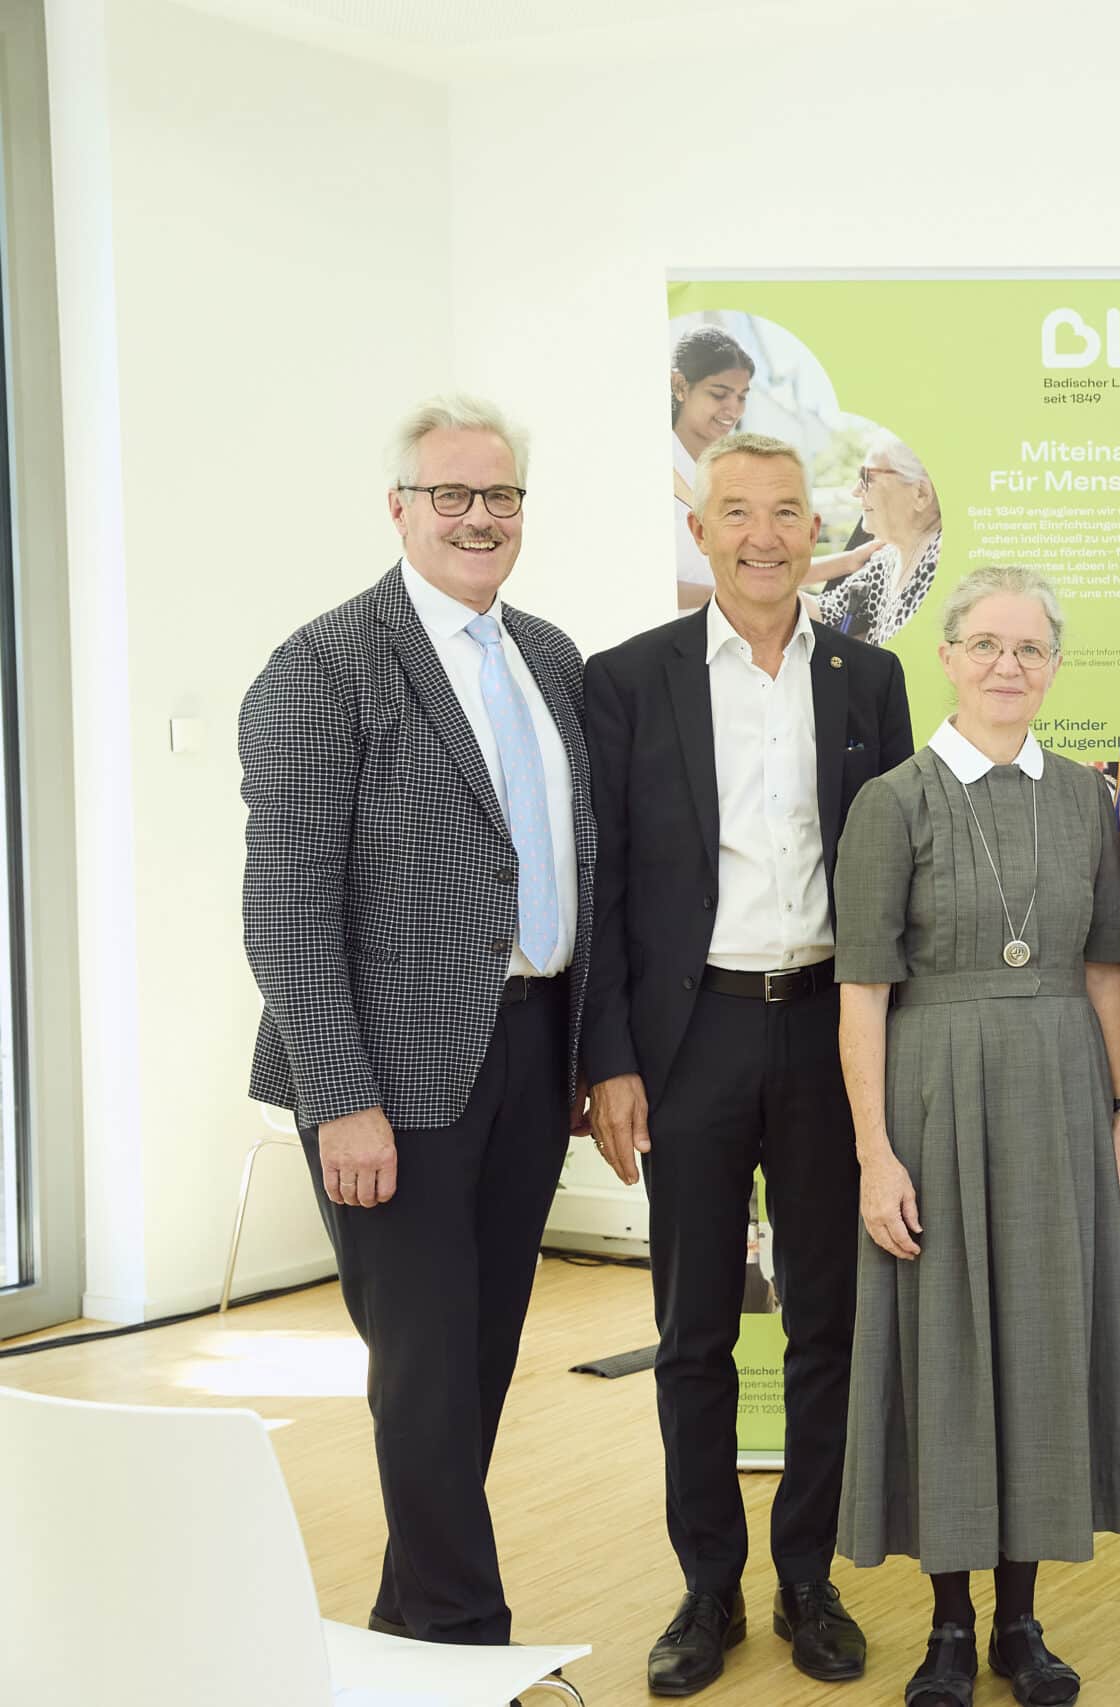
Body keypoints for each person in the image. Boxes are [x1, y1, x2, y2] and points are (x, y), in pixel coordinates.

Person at [241, 394, 590, 1651]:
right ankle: (461, 1634)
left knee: (476, 1357)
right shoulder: (323, 665)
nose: (478, 517)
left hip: (531, 1051)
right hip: (388, 1078)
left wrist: (590, 1055)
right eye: (451, 494)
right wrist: (341, 1098)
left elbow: (576, 861)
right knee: (425, 1364)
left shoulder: (550, 658)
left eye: (500, 495)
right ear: (398, 507)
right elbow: (284, 910)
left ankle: (408, 1626)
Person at [584, 430, 914, 1696]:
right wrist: (609, 1060)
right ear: (702, 528)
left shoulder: (868, 678)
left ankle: (807, 1578)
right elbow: (607, 885)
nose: (764, 536)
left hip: (831, 1030)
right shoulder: (630, 679)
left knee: (827, 1322)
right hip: (694, 1038)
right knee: (694, 1332)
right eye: (738, 512)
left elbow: (894, 880)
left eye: (785, 513)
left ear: (813, 534)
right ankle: (708, 1586)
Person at [834, 565, 1120, 1707]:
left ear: (1054, 665)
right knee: (947, 1352)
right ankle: (947, 1627)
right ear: (948, 658)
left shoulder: (1086, 800)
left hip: (1062, 1091)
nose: (1007, 666)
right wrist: (874, 1152)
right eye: (985, 645)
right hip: (932, 1097)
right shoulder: (893, 803)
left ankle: (1021, 1623)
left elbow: (1107, 971)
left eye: (1029, 649)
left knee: (1041, 1347)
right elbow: (862, 991)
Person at [815, 438, 941, 645]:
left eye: (867, 477)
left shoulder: (941, 560)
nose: (855, 491)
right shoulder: (887, 559)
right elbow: (826, 611)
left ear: (921, 493)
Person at [670, 325, 756, 611]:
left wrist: (848, 561)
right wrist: (732, 599)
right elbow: (643, 580)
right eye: (719, 394)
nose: (734, 410)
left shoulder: (727, 470)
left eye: (742, 397)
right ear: (680, 386)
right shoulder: (652, 468)